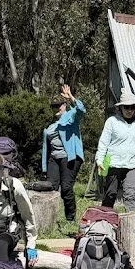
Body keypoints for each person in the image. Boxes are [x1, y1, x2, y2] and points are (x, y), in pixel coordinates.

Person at [41, 83, 86, 223]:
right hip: (54, 159)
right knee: (51, 188)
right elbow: (45, 148)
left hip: (70, 157)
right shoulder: (50, 126)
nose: (56, 108)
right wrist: (44, 168)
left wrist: (71, 97)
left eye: (58, 105)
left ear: (64, 105)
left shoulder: (71, 116)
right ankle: (49, 220)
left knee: (66, 188)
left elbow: (81, 110)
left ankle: (70, 218)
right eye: (53, 106)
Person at [95, 88, 135, 212]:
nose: (129, 110)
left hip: (133, 164)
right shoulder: (112, 122)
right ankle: (104, 223)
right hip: (113, 163)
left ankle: (133, 228)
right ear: (120, 108)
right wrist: (100, 160)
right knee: (110, 194)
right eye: (126, 107)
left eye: (132, 107)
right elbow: (103, 142)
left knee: (130, 195)